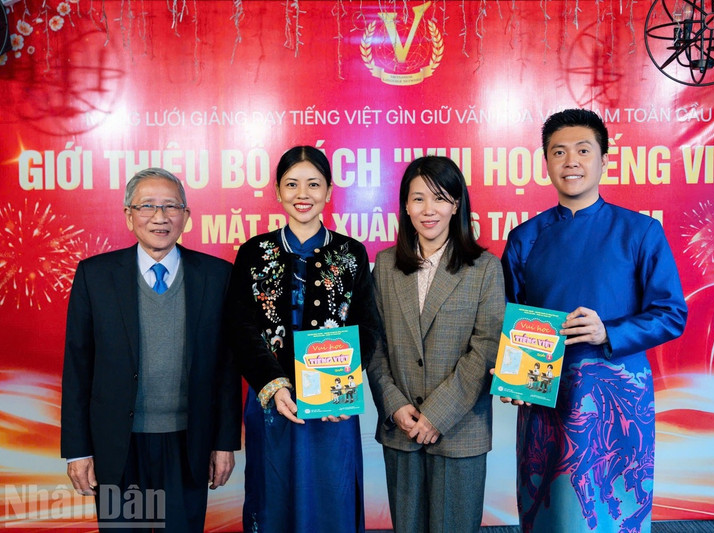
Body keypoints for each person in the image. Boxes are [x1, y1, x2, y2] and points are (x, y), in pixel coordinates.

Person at [501, 109, 688, 533]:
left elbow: (672, 314)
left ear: (604, 159)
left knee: (612, 511)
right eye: (559, 152)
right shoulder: (525, 238)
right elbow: (510, 320)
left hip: (618, 400)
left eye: (583, 150)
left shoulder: (640, 232)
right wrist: (512, 377)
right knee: (549, 511)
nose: (571, 161)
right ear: (545, 162)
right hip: (544, 396)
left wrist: (611, 331)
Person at [61, 167, 242, 532]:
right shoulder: (95, 276)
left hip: (188, 445)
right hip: (118, 447)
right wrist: (78, 449)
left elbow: (226, 367)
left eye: (171, 207)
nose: (160, 217)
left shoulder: (216, 276)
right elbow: (78, 367)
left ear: (186, 217)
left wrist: (225, 443)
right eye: (147, 206)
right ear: (129, 215)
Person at [225, 145, 380, 533]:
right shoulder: (254, 252)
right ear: (277, 191)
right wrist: (274, 386)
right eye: (292, 184)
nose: (302, 194)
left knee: (332, 501)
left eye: (314, 184)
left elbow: (367, 326)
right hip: (273, 405)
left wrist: (338, 385)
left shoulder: (351, 253)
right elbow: (240, 328)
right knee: (273, 499)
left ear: (329, 191)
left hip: (332, 405)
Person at [367, 155, 505, 533]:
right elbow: (373, 345)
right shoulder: (385, 265)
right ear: (405, 206)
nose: (429, 209)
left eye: (440, 198)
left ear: (456, 204)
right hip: (402, 428)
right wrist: (394, 405)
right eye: (418, 199)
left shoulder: (485, 268)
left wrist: (437, 415)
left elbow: (487, 348)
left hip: (461, 430)